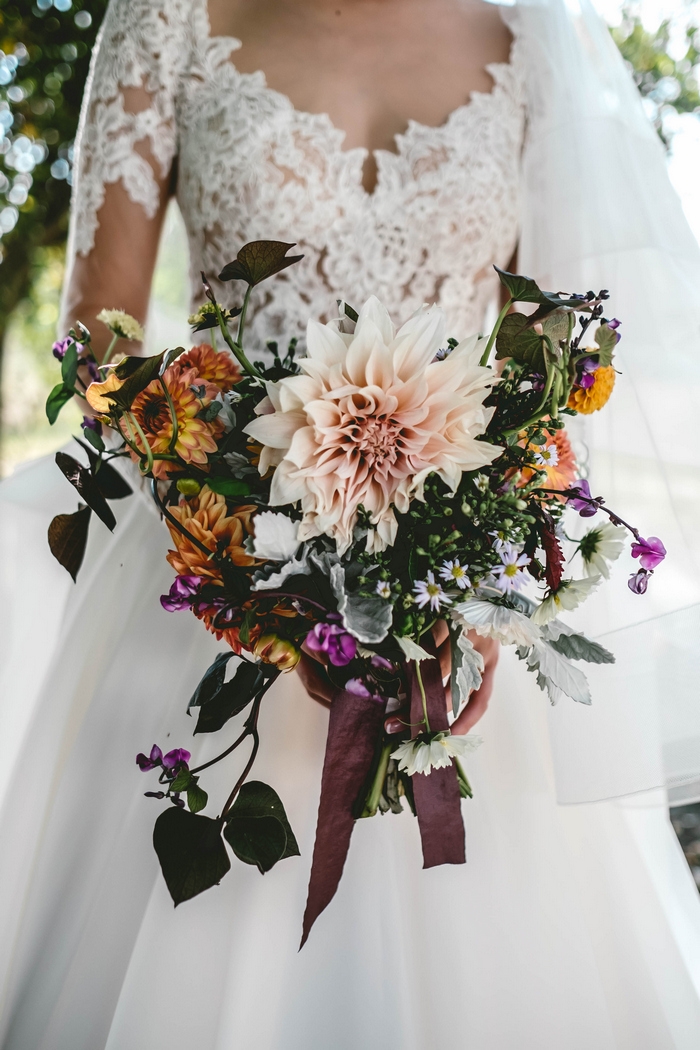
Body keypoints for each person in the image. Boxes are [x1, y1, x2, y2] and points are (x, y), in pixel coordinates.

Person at [1, 0, 700, 1046]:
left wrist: (499, 593)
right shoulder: (165, 22)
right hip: (210, 573)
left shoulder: (525, 39)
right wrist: (241, 552)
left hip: (463, 604)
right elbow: (100, 347)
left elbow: (552, 370)